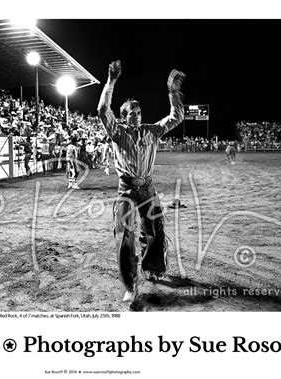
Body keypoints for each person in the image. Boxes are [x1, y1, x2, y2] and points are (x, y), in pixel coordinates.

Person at [97, 60, 186, 302]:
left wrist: (173, 92)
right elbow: (103, 112)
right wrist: (111, 81)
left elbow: (176, 117)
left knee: (155, 231)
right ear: (123, 118)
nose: (135, 116)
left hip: (147, 187)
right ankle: (130, 283)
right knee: (125, 234)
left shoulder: (152, 130)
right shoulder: (118, 133)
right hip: (126, 189)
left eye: (138, 112)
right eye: (130, 114)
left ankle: (153, 268)